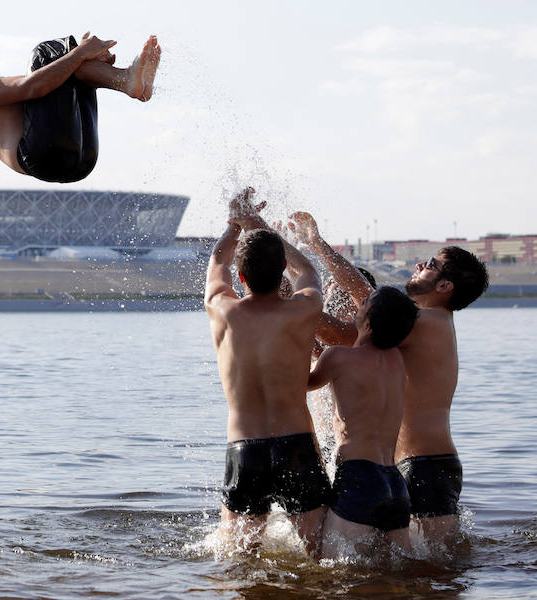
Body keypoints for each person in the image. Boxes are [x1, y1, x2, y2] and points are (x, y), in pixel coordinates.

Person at [290, 211, 489, 547]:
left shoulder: (428, 321)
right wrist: (317, 248)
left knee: (434, 575)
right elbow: (363, 304)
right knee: (419, 570)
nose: (418, 266)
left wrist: (295, 304)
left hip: (427, 466)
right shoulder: (425, 322)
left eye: (428, 263)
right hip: (417, 466)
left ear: (444, 287)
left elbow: (350, 322)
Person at [205, 188, 330, 554]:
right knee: (320, 556)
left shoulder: (223, 311)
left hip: (245, 450)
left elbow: (217, 263)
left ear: (241, 277)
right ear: (281, 275)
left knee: (237, 560)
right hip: (296, 445)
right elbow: (306, 269)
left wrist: (234, 224)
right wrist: (257, 224)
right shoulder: (303, 308)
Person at [0, 32, 161, 183]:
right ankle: (127, 80)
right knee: (47, 52)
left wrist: (89, 63)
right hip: (40, 154)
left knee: (65, 70)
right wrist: (81, 52)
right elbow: (33, 87)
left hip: (76, 163)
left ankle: (131, 83)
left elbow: (50, 78)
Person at [307, 287, 420, 558]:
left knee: (332, 570)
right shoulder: (397, 360)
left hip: (359, 477)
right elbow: (351, 364)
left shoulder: (337, 357)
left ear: (367, 323)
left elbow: (306, 381)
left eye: (364, 302)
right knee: (399, 573)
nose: (359, 304)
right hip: (394, 484)